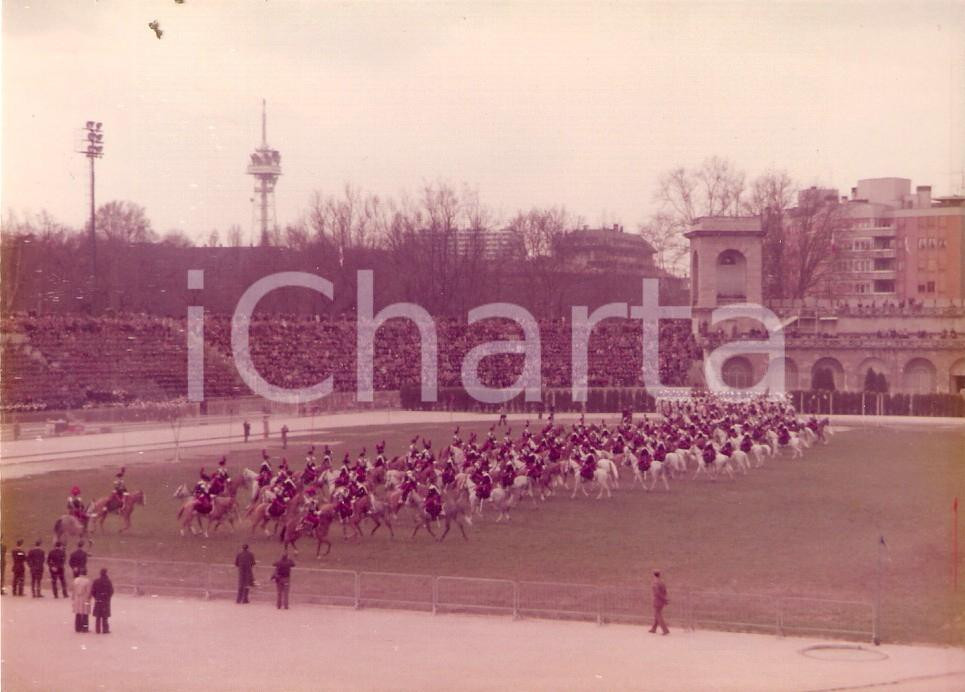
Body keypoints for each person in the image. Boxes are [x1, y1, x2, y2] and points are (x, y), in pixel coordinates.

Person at [91, 568, 114, 634]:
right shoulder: (108, 581)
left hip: (98, 599)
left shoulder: (96, 581)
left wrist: (96, 597)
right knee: (105, 616)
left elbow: (93, 591)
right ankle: (105, 629)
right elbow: (111, 591)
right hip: (105, 600)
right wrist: (108, 597)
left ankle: (97, 629)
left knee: (98, 616)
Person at [70, 569, 92, 633]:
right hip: (85, 599)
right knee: (85, 613)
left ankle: (78, 628)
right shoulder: (87, 581)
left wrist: (73, 598)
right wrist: (89, 598)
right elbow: (88, 591)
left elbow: (73, 590)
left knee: (78, 613)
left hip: (77, 598)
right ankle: (85, 628)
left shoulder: (76, 580)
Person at [649, 570, 670, 635]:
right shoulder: (662, 582)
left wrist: (664, 599)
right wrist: (665, 599)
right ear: (659, 575)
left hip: (657, 601)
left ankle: (665, 630)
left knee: (658, 615)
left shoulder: (655, 583)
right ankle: (654, 629)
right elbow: (665, 591)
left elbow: (657, 593)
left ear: (653, 575)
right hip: (661, 601)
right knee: (657, 614)